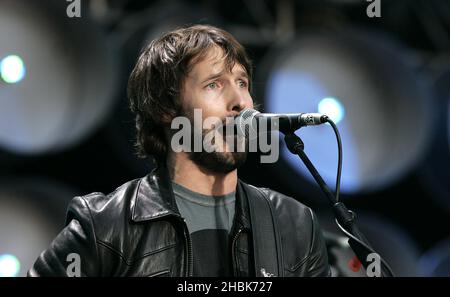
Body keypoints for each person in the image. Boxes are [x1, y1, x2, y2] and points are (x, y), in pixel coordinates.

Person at [28, 24, 330, 277]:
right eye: (214, 85)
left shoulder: (293, 225)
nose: (240, 101)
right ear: (166, 109)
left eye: (242, 82)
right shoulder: (105, 227)